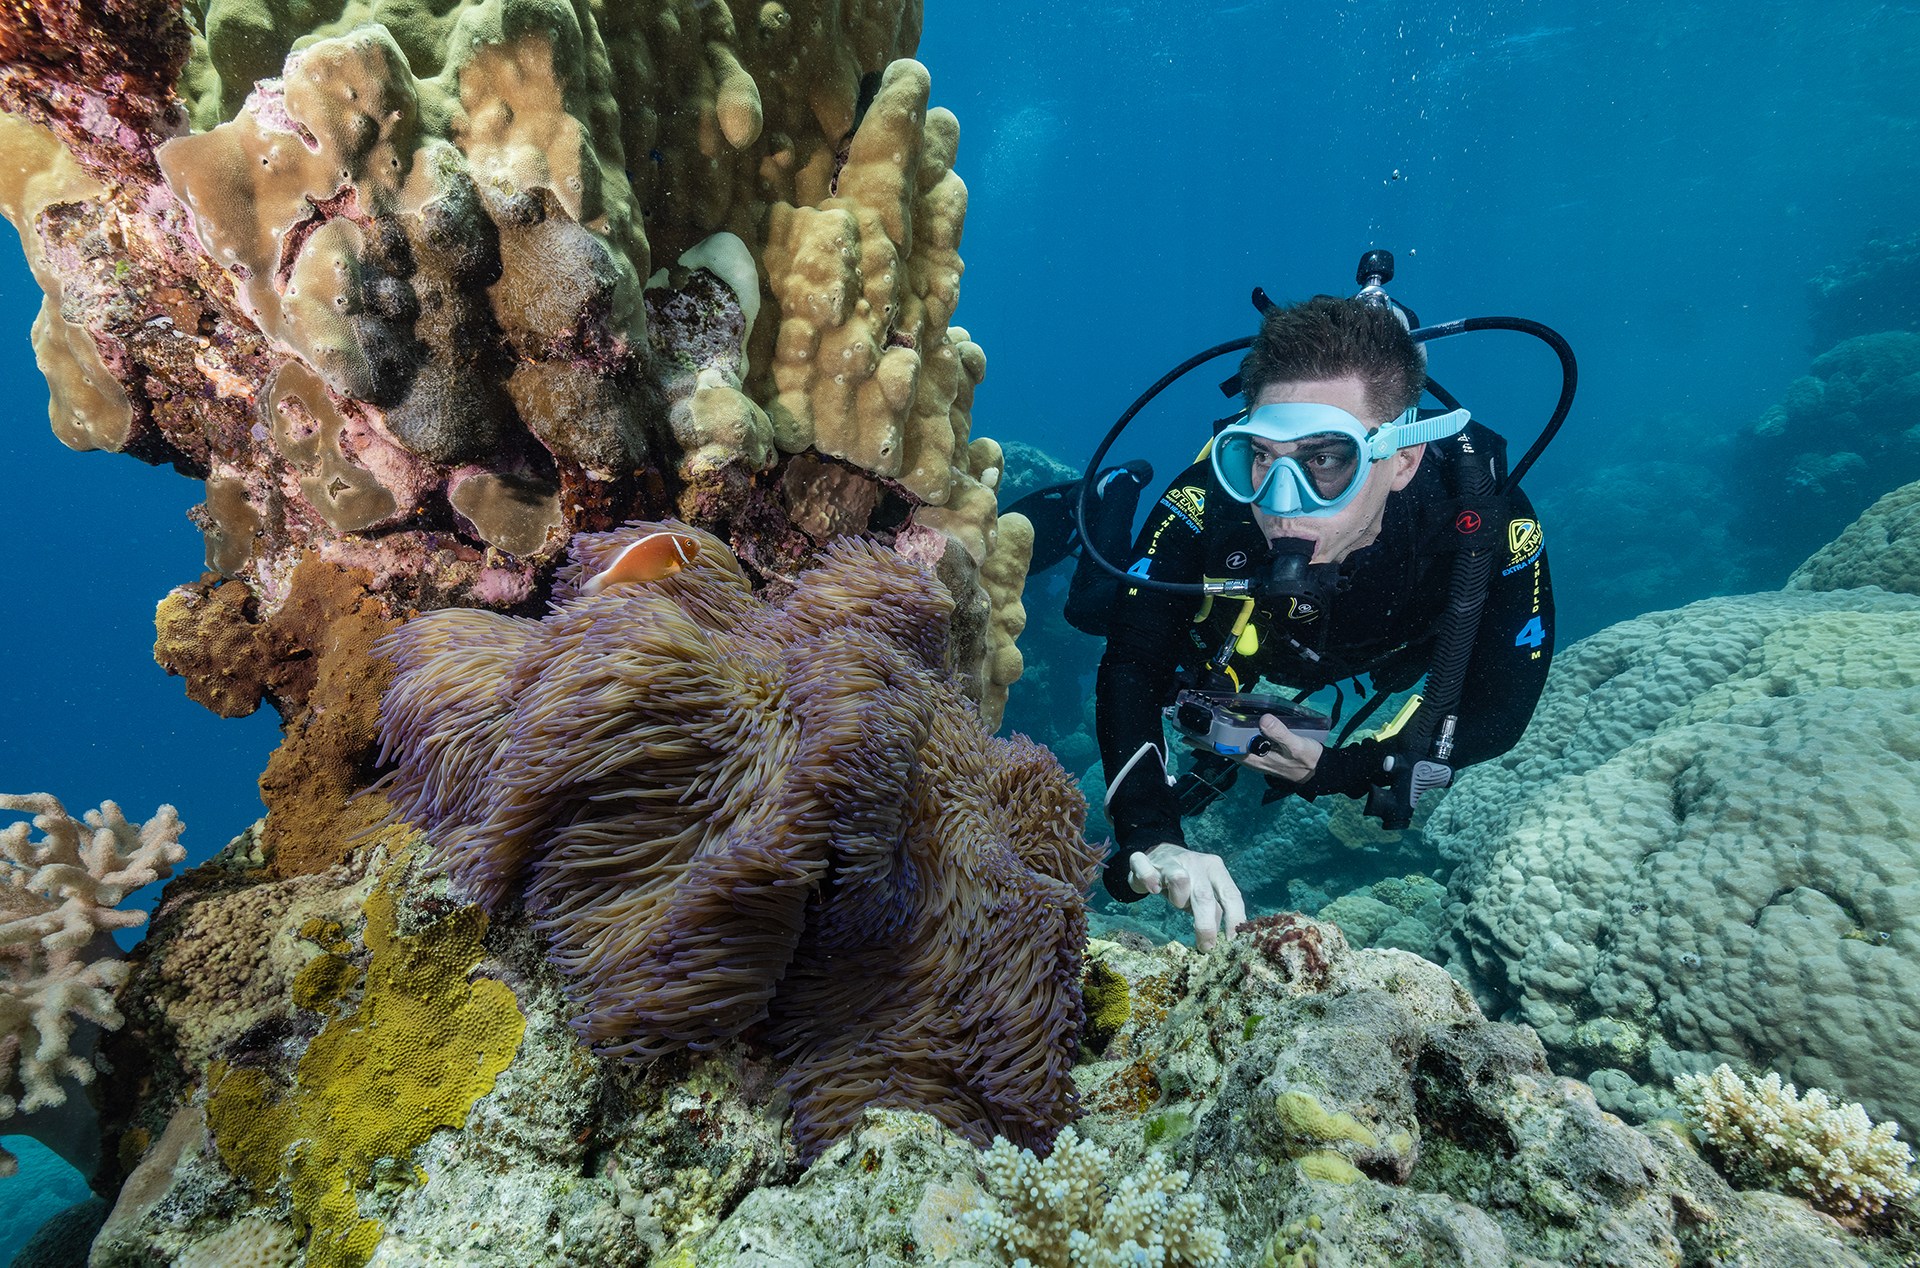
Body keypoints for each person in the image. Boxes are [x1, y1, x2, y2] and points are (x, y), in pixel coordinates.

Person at [1094, 294, 1554, 948]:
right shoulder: (1207, 497)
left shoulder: (1482, 519)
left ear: (1402, 459)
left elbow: (1502, 709)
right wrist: (1153, 834)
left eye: (1328, 459)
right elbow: (1131, 664)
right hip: (1241, 641)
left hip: (1376, 650)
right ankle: (1114, 491)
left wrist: (1338, 771)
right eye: (1259, 455)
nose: (1282, 505)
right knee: (1092, 607)